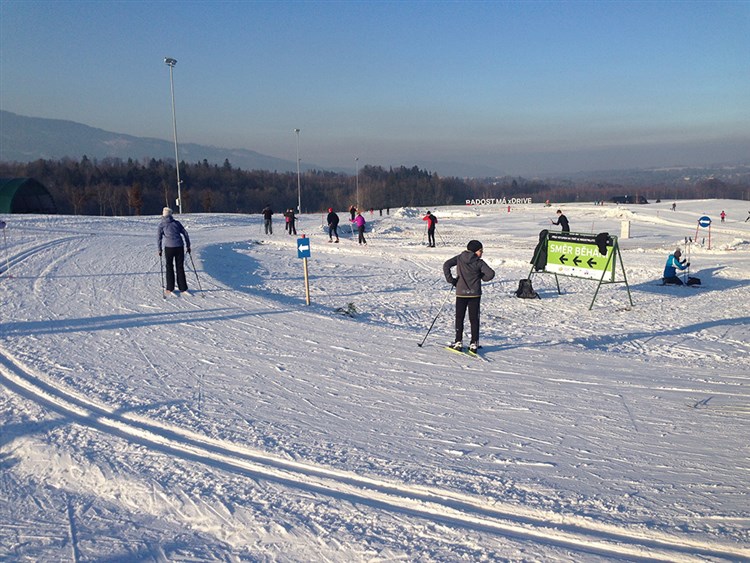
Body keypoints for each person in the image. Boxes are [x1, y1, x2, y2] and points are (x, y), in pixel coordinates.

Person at [443, 240, 495, 353]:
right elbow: (491, 274)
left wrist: (451, 280)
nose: (482, 253)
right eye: (481, 250)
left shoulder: (460, 258)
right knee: (474, 319)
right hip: (474, 294)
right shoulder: (479, 262)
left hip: (461, 293)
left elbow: (446, 264)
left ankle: (458, 342)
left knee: (459, 318)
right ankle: (474, 343)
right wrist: (482, 277)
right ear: (475, 251)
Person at [158, 207, 191, 294]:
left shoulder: (161, 225)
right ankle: (183, 287)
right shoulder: (177, 223)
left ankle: (170, 288)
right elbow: (185, 233)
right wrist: (188, 245)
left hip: (169, 248)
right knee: (180, 267)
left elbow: (159, 238)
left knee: (169, 267)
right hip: (179, 247)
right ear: (171, 214)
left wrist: (159, 249)